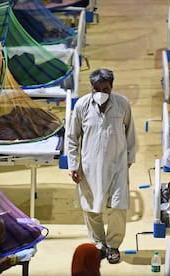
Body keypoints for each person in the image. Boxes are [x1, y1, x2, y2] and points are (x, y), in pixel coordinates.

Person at [67, 68, 136, 264]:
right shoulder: (81, 105)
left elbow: (130, 131)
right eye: (96, 89)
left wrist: (129, 158)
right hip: (89, 166)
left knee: (118, 206)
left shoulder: (122, 104)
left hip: (118, 165)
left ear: (111, 87)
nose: (100, 93)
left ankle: (113, 245)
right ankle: (99, 244)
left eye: (105, 89)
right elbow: (72, 137)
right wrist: (73, 164)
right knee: (91, 207)